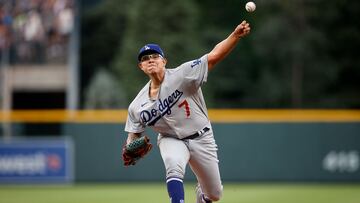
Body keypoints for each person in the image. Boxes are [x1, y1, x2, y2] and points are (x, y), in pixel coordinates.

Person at [124, 20, 251, 203]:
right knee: (173, 165)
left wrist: (235, 36)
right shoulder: (137, 106)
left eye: (154, 56)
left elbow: (213, 56)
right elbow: (134, 134)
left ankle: (202, 193)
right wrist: (130, 145)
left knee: (214, 194)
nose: (150, 60)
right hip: (171, 139)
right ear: (141, 67)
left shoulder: (183, 74)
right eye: (144, 59)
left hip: (202, 137)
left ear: (164, 61)